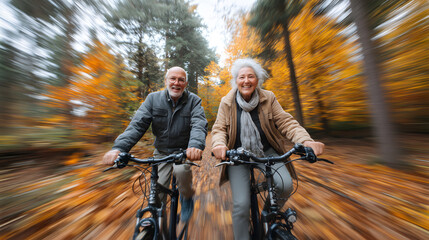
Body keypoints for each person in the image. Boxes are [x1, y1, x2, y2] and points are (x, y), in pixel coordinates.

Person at [211, 58, 324, 240]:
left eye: (251, 76)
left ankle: (268, 216)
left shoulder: (268, 98)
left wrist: (306, 141)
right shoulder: (227, 102)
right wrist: (218, 144)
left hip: (266, 151)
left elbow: (287, 122)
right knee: (241, 206)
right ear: (236, 81)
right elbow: (219, 129)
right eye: (242, 77)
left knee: (285, 185)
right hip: (237, 156)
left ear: (257, 80)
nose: (246, 81)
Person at [102, 66, 208, 222]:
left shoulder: (193, 101)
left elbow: (199, 124)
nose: (176, 83)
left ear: (186, 84)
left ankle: (187, 197)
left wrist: (195, 146)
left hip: (183, 152)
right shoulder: (153, 99)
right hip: (162, 153)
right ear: (166, 81)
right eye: (172, 78)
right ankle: (159, 226)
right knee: (157, 194)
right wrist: (119, 148)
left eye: (181, 80)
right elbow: (137, 125)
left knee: (181, 172)